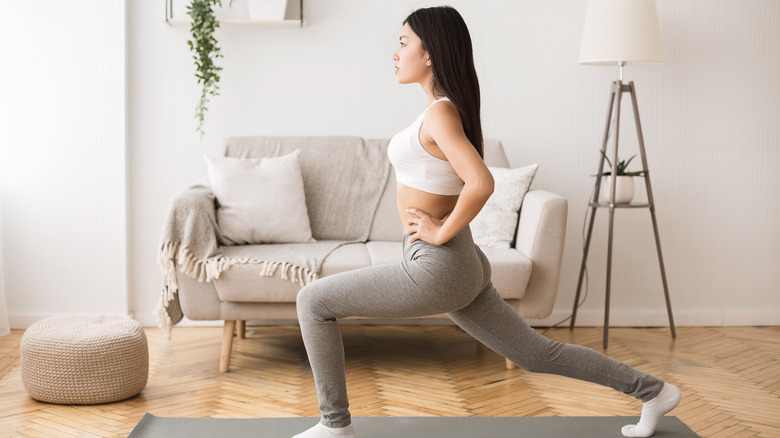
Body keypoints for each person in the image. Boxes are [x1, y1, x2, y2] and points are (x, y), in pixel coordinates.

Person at [292, 6, 680, 438]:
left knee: (313, 302)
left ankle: (335, 425)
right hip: (457, 262)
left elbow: (481, 181)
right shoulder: (440, 111)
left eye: (403, 43)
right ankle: (654, 392)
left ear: (431, 54)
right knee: (537, 353)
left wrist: (439, 231)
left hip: (438, 264)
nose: (396, 53)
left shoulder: (441, 112)